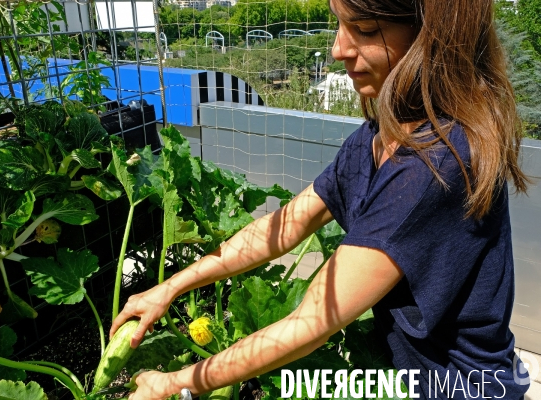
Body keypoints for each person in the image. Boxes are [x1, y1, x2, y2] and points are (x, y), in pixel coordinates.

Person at [110, 0, 531, 398]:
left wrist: (175, 382)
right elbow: (285, 226)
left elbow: (310, 324)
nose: (337, 49)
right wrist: (169, 288)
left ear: (430, 38)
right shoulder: (376, 139)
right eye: (340, 23)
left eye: (364, 29)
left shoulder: (435, 166)